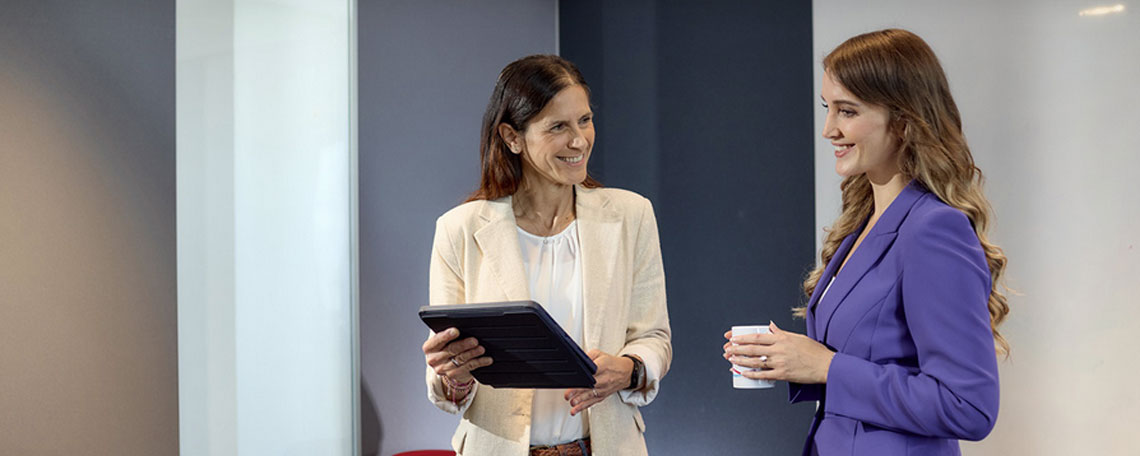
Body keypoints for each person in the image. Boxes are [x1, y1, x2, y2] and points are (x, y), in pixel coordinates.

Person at [723, 29, 1010, 455]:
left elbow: (967, 405)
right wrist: (789, 358)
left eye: (847, 111)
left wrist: (826, 367)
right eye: (828, 108)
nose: (829, 130)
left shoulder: (933, 228)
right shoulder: (866, 222)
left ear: (904, 120)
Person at [421, 55, 671, 456]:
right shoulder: (460, 229)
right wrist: (455, 375)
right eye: (558, 127)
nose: (579, 141)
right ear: (512, 137)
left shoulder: (631, 215)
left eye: (584, 121)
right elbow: (446, 382)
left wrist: (628, 369)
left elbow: (653, 337)